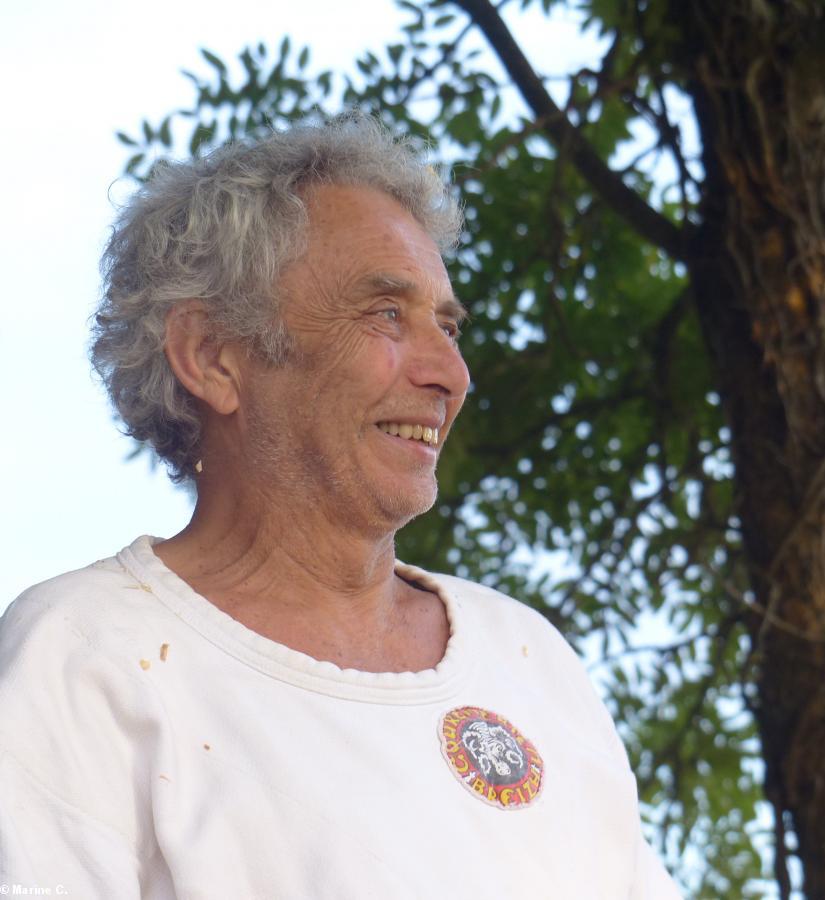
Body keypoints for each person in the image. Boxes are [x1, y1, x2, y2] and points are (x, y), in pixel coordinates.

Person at [0, 115, 679, 898]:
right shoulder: (84, 654)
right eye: (386, 313)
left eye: (448, 326)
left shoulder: (528, 658)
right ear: (212, 357)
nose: (452, 375)